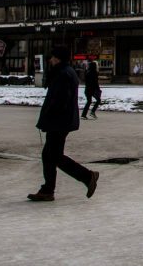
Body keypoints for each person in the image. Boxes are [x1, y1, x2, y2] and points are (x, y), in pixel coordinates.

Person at [28, 46, 99, 202]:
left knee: (53, 156)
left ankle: (87, 176)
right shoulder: (64, 72)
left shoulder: (63, 74)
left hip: (59, 122)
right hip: (61, 121)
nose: (50, 60)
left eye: (53, 57)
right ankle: (48, 189)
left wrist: (49, 118)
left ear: (58, 58)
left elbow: (59, 101)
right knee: (50, 155)